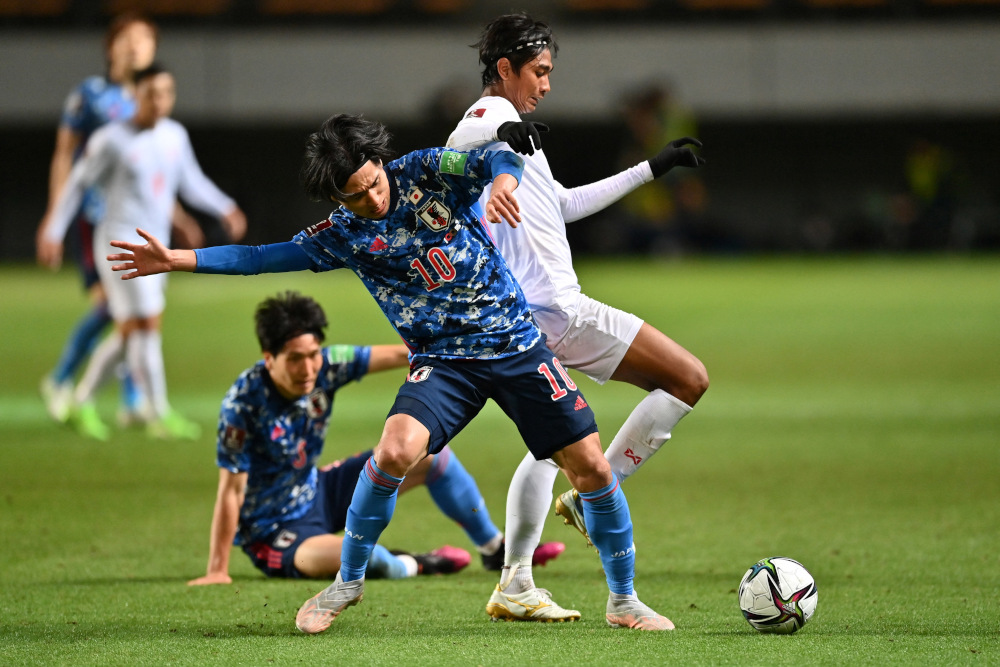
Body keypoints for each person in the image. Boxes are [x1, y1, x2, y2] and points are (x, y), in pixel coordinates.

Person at [106, 113, 672, 631]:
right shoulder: (341, 234)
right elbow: (260, 257)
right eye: (355, 195)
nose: (373, 199)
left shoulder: (425, 170)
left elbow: (497, 156)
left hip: (516, 345)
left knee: (591, 468)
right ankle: (347, 583)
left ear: (380, 162)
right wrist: (177, 259)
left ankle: (623, 600)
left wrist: (504, 180)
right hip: (444, 362)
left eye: (374, 183)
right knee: (395, 451)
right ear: (335, 197)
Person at [446, 12, 709, 623]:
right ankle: (571, 546)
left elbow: (562, 204)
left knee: (562, 443)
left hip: (549, 313)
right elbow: (464, 137)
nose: (546, 84)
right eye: (538, 71)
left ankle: (525, 570)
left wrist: (652, 167)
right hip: (544, 315)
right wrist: (501, 135)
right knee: (675, 385)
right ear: (505, 67)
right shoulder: (489, 120)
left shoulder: (515, 133)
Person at [188, 291, 558, 585]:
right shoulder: (243, 405)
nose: (308, 368)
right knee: (372, 558)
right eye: (295, 359)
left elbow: (403, 353)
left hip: (317, 491)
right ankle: (416, 563)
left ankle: (493, 548)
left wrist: (480, 349)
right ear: (269, 358)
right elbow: (231, 491)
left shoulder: (327, 365)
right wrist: (218, 569)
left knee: (433, 457)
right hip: (275, 533)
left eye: (313, 355)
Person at [35, 13, 224, 429]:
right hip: (99, 220)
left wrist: (178, 215)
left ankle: (128, 401)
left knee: (130, 318)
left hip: (144, 222)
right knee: (119, 312)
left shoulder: (155, 102)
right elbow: (67, 157)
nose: (137, 46)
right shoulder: (92, 96)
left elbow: (156, 174)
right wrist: (54, 217)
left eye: (145, 39)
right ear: (111, 47)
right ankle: (70, 383)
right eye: (128, 38)